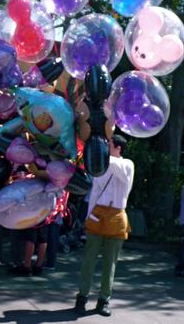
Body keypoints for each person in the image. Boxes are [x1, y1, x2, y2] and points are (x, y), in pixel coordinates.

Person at [74, 134, 134, 317]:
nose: (106, 146)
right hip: (98, 213)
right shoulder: (102, 164)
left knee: (110, 263)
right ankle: (82, 297)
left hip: (116, 216)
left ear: (118, 148)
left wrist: (96, 152)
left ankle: (104, 300)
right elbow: (95, 193)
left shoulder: (127, 164)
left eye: (108, 144)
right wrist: (88, 217)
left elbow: (120, 171)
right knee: (88, 260)